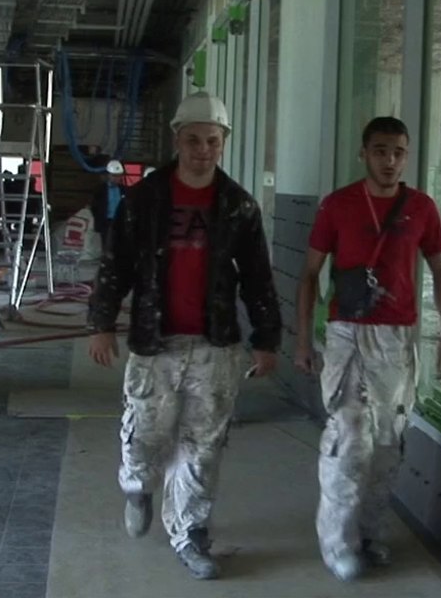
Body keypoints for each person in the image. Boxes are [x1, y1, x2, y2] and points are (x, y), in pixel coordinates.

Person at [87, 90, 283, 581]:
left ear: (224, 142)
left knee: (203, 444)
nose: (203, 150)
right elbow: (117, 264)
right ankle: (137, 486)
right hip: (157, 341)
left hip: (215, 345)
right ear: (178, 140)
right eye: (193, 140)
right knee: (148, 431)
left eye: (212, 141)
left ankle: (191, 535)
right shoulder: (145, 200)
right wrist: (102, 324)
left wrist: (266, 338)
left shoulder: (238, 207)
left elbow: (258, 275)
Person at [294, 115, 441, 582]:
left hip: (398, 337)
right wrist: (304, 339)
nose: (389, 161)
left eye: (398, 152)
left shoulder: (420, 208)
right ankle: (338, 543)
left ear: (406, 156)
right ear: (364, 153)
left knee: (387, 443)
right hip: (347, 332)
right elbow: (309, 274)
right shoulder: (338, 206)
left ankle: (369, 532)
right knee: (349, 436)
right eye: (381, 150)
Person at [90, 159, 127, 244]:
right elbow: (94, 207)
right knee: (105, 243)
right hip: (105, 222)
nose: (116, 178)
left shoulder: (123, 190)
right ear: (108, 175)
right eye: (114, 175)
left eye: (118, 176)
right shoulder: (100, 189)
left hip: (120, 222)